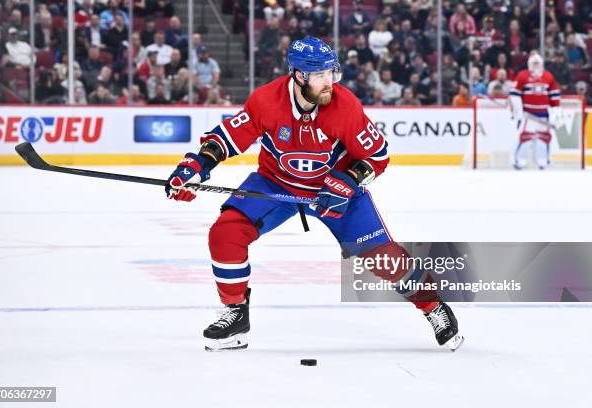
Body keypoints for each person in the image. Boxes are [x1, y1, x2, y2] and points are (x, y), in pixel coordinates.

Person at [164, 36, 464, 352]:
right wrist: (196, 166)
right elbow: (228, 137)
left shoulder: (345, 106)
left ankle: (433, 306)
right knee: (226, 234)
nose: (328, 82)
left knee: (384, 261)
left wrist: (348, 180)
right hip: (276, 183)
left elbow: (378, 156)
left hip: (335, 189)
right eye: (319, 75)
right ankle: (236, 314)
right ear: (298, 75)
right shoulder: (267, 101)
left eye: (330, 73)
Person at [508, 52, 561, 170]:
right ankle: (518, 161)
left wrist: (556, 111)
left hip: (544, 115)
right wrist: (518, 111)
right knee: (525, 137)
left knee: (544, 138)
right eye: (534, 63)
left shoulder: (548, 76)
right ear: (529, 64)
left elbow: (554, 95)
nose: (536, 65)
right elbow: (514, 95)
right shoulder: (522, 75)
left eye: (538, 63)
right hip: (528, 115)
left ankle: (543, 161)